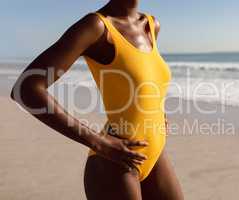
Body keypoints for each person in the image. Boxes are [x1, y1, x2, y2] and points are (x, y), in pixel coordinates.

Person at [10, 0, 184, 199]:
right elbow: (26, 88)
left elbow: (144, 81)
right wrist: (98, 142)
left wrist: (158, 113)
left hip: (154, 155)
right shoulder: (96, 27)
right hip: (113, 165)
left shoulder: (151, 25)